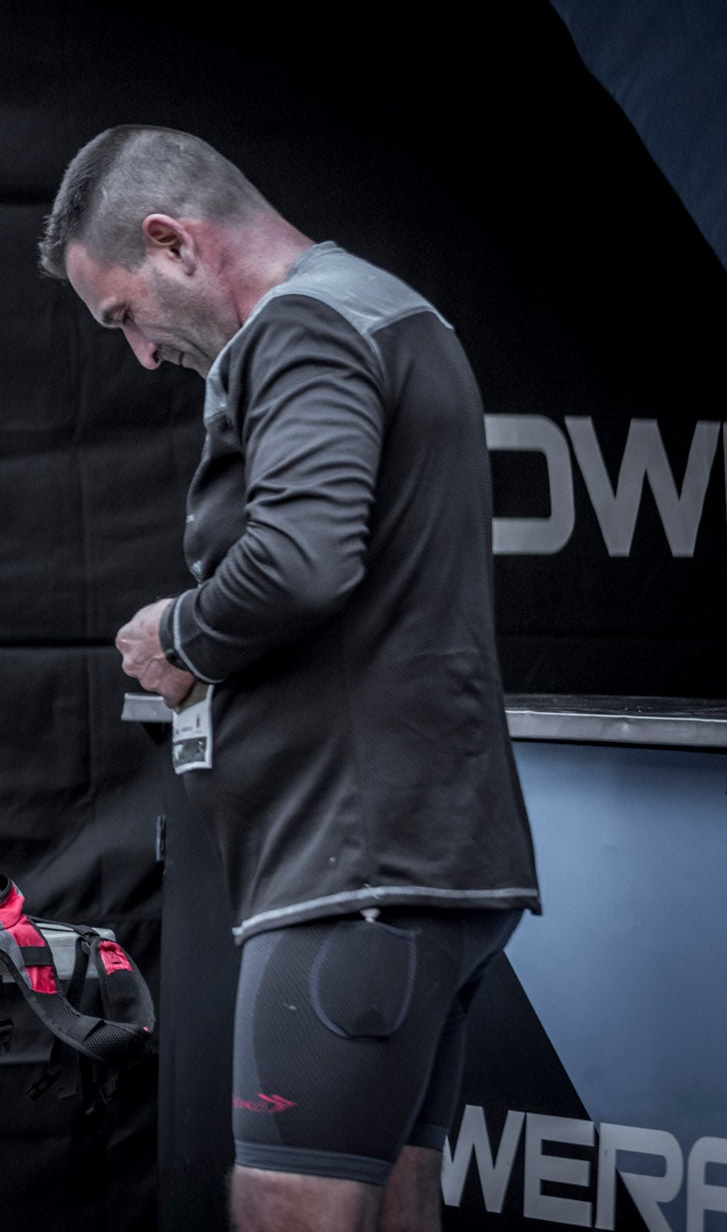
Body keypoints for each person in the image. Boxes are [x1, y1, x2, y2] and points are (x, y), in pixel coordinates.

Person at [36, 126, 539, 1232]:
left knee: (286, 1210)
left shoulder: (302, 327)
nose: (139, 355)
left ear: (171, 242)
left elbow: (302, 560)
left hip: (352, 873)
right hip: (410, 866)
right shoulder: (382, 314)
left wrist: (181, 633)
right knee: (393, 1198)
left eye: (122, 316)